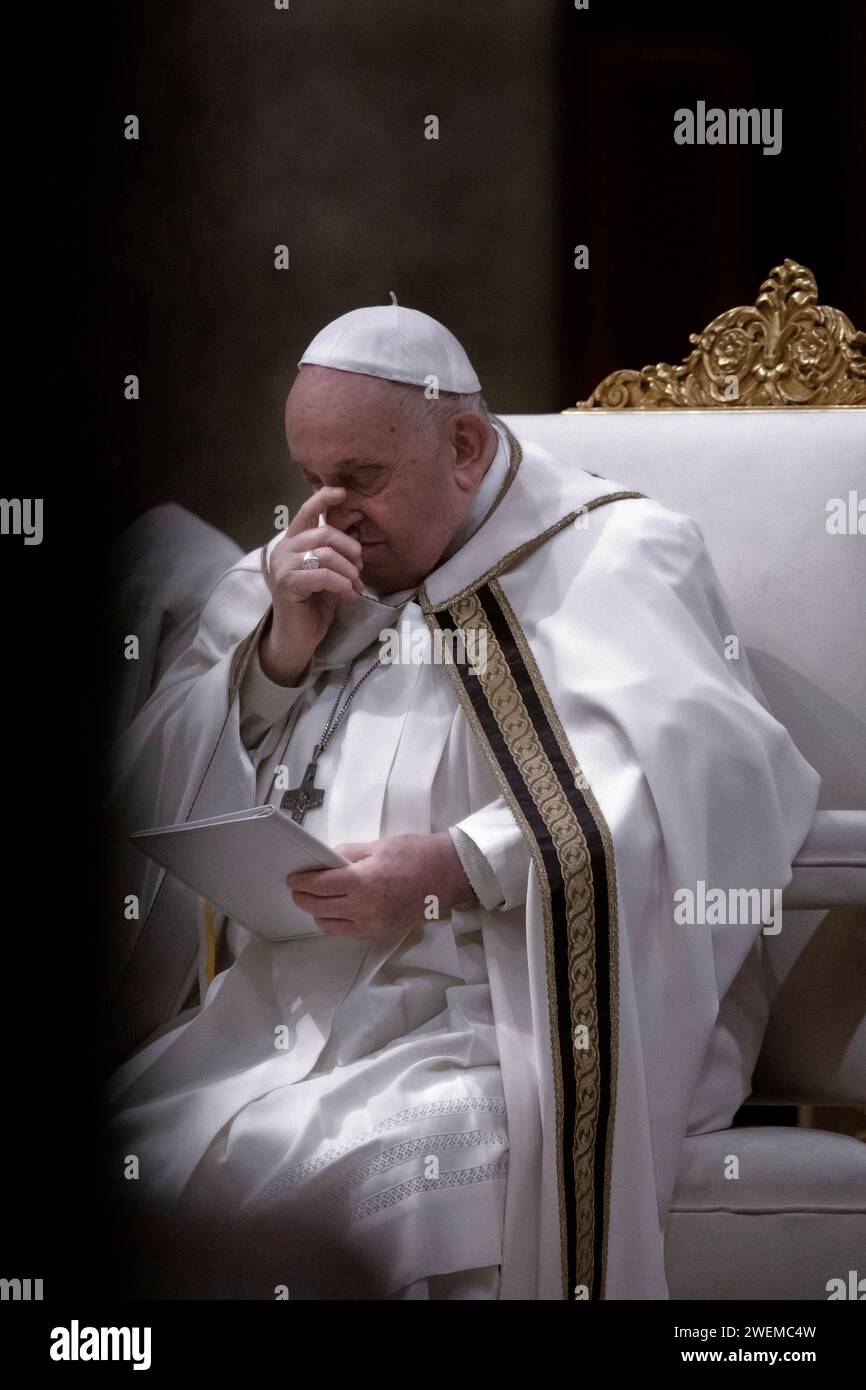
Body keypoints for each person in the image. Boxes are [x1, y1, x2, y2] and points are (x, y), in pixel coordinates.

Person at [104, 303, 819, 1299]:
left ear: (467, 449)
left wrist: (455, 866)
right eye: (311, 481)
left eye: (360, 478)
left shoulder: (612, 555)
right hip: (294, 1017)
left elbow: (705, 776)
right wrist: (278, 656)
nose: (331, 514)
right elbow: (148, 795)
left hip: (502, 1026)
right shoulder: (316, 576)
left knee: (331, 1181)